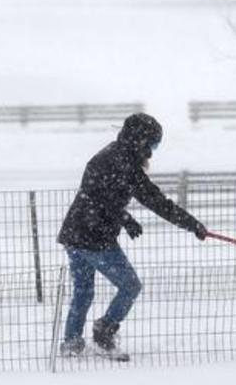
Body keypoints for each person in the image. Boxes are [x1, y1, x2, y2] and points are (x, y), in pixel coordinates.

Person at [56, 112, 207, 357]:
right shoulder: (123, 163)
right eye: (153, 144)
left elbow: (95, 194)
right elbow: (153, 201)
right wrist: (125, 218)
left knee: (84, 291)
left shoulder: (112, 154)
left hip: (74, 232)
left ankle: (72, 341)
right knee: (130, 286)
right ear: (140, 140)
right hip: (94, 238)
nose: (152, 151)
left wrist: (191, 224)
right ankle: (104, 329)